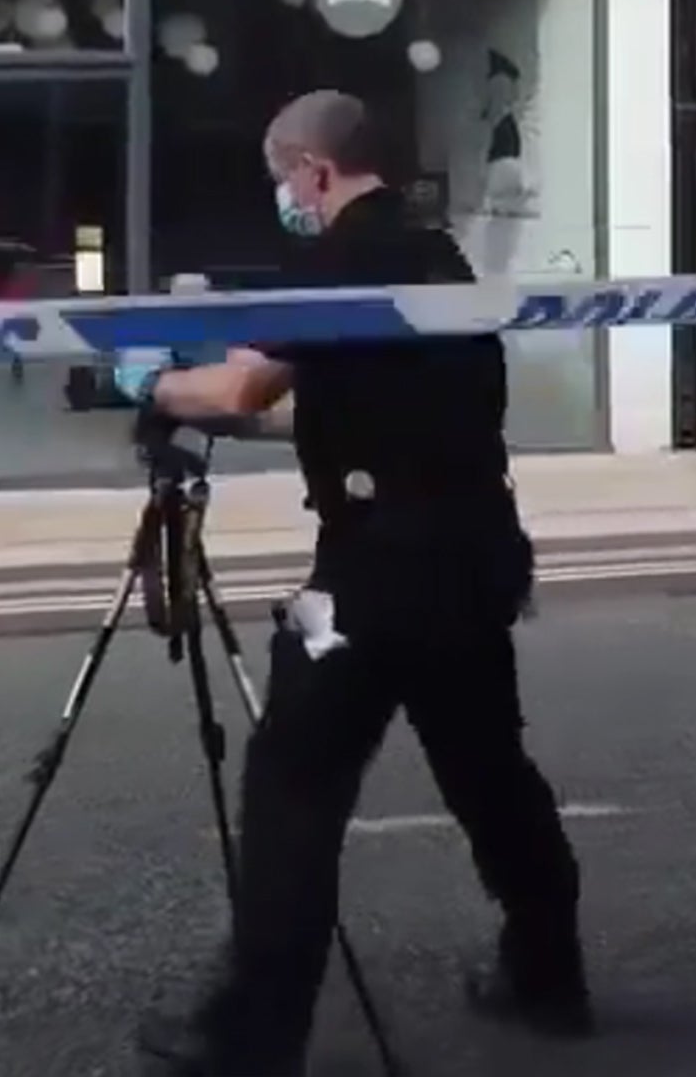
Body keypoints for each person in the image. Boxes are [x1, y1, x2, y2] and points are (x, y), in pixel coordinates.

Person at [116, 90, 592, 1076]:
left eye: (281, 178)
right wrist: (218, 409)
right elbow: (352, 410)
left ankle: (254, 1036)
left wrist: (149, 385)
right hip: (473, 552)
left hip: (375, 571)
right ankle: (547, 975)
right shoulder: (439, 258)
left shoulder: (331, 263)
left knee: (291, 785)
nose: (282, 196)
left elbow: (243, 387)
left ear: (313, 171)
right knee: (488, 774)